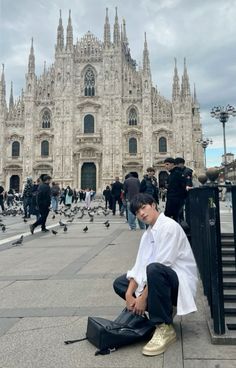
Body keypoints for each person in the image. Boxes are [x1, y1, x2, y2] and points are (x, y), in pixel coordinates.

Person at [113, 193, 198, 356]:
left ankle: (164, 326)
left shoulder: (169, 227)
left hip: (177, 284)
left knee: (154, 269)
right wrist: (129, 295)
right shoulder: (148, 234)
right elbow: (138, 267)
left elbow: (161, 266)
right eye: (137, 212)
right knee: (120, 283)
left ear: (153, 205)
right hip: (159, 279)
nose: (141, 214)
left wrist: (142, 299)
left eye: (144, 208)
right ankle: (159, 311)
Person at [164, 158, 186, 222]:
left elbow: (177, 188)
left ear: (173, 164)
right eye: (165, 165)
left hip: (174, 201)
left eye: (167, 164)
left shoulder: (176, 174)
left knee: (173, 219)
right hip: (175, 200)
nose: (166, 166)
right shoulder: (174, 173)